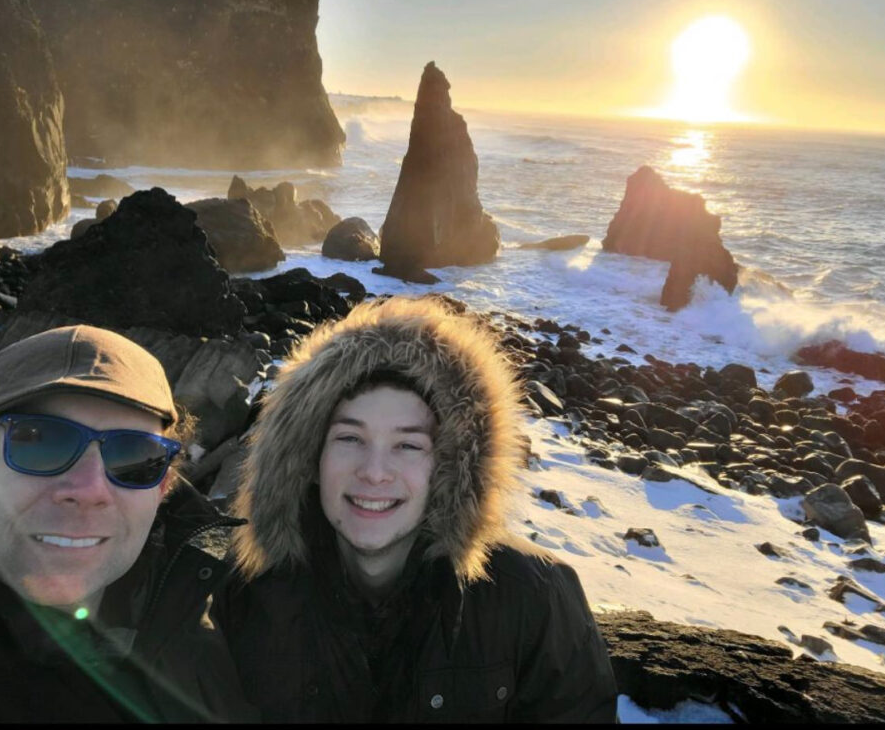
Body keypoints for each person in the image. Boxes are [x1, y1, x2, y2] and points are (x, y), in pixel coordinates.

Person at [215, 296, 618, 722]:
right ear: (309, 459)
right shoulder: (244, 595)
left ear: (449, 468)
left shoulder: (534, 600)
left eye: (407, 445)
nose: (374, 472)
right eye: (350, 439)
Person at [0, 325, 253, 723]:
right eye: (37, 440)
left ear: (163, 491)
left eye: (135, 457)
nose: (90, 489)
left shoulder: (209, 605)